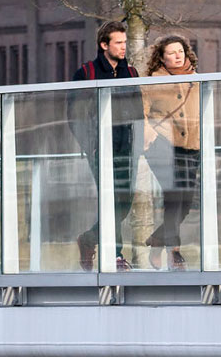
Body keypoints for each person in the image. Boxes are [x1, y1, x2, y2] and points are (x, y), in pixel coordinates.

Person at [67, 21, 138, 272]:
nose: (123, 47)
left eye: (125, 42)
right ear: (104, 45)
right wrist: (90, 146)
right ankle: (115, 255)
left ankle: (89, 238)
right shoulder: (86, 73)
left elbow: (138, 109)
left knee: (125, 202)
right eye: (118, 43)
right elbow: (74, 113)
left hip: (126, 147)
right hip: (100, 148)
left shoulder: (131, 73)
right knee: (111, 199)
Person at [141, 35, 200, 270]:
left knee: (185, 203)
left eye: (180, 51)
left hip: (191, 146)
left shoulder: (197, 79)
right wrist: (148, 135)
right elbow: (141, 111)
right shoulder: (152, 82)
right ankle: (174, 252)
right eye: (172, 53)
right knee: (174, 195)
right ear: (162, 57)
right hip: (163, 143)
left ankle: (158, 239)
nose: (178, 56)